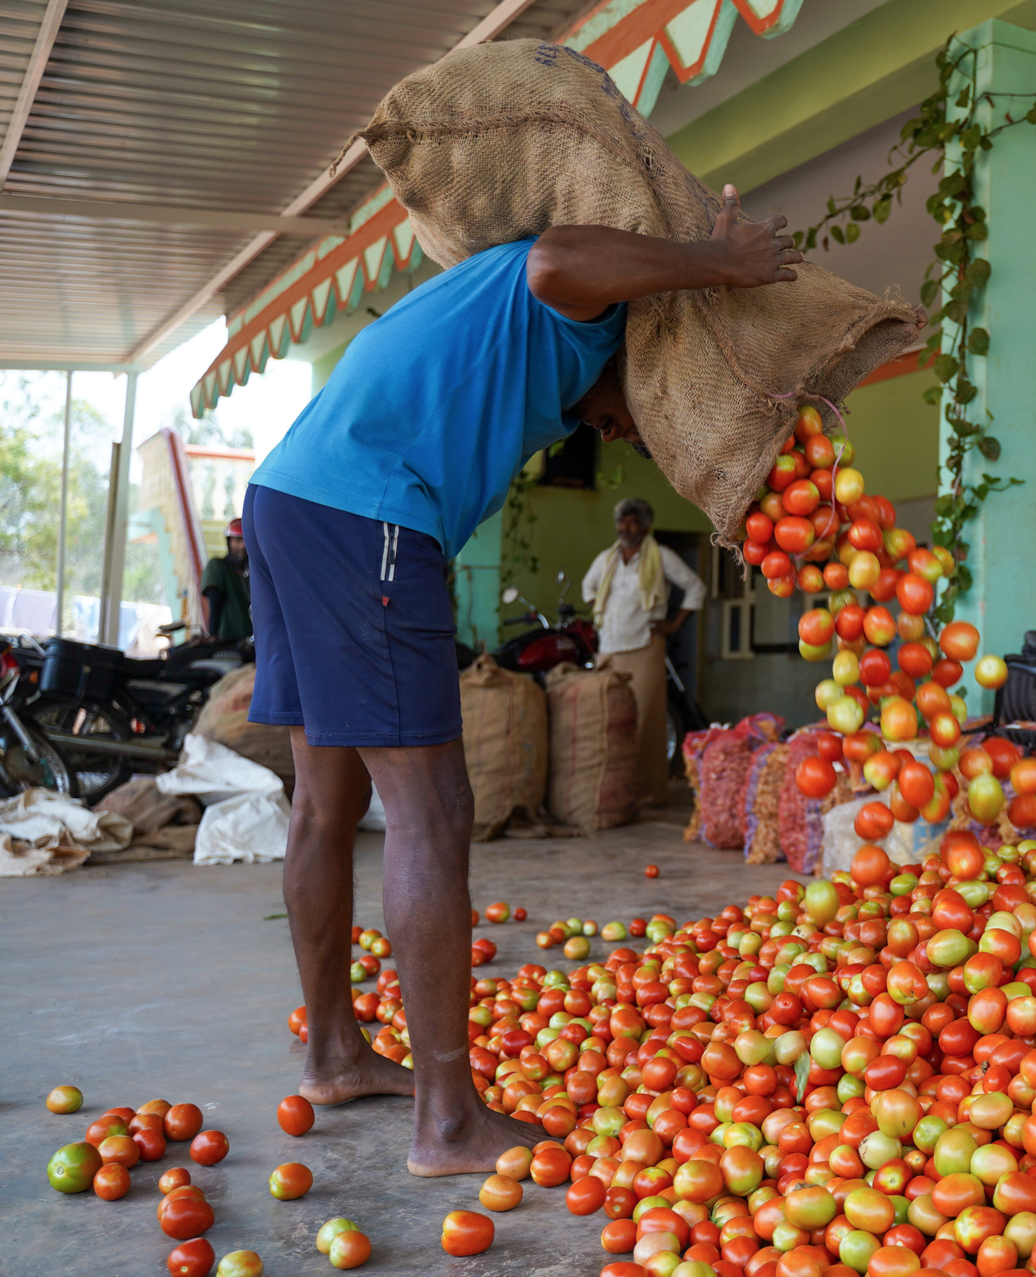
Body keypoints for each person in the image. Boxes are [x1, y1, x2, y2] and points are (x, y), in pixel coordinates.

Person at [240, 186, 803, 1176]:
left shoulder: (513, 328)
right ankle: (448, 1122)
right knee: (434, 811)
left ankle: (333, 1053)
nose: (627, 437)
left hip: (291, 495)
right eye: (647, 424)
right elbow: (556, 256)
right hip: (369, 514)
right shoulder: (588, 316)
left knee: (326, 802)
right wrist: (723, 261)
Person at [582, 497, 705, 806]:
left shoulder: (661, 556)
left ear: (646, 528)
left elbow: (696, 588)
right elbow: (588, 588)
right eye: (622, 522)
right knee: (611, 721)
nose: (626, 528)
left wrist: (674, 625)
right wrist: (602, 611)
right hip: (609, 648)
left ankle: (648, 793)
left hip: (645, 648)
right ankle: (614, 792)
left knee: (646, 720)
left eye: (633, 522)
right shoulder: (606, 559)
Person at [201, 518, 252, 641]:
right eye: (237, 540)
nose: (242, 545)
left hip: (258, 638)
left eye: (246, 540)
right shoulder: (218, 566)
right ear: (229, 541)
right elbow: (215, 602)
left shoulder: (256, 568)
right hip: (229, 639)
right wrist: (213, 634)